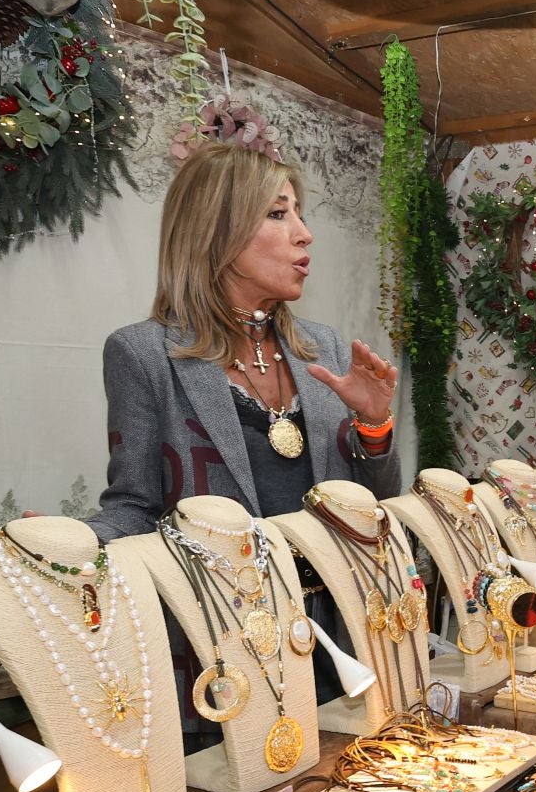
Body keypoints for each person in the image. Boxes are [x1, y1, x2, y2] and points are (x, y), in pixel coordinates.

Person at [87, 140, 401, 542]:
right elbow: (135, 508)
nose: (305, 235)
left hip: (335, 601)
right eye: (277, 214)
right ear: (214, 230)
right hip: (230, 602)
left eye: (299, 216)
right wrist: (70, 545)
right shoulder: (144, 354)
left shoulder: (327, 347)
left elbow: (379, 503)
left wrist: (374, 424)